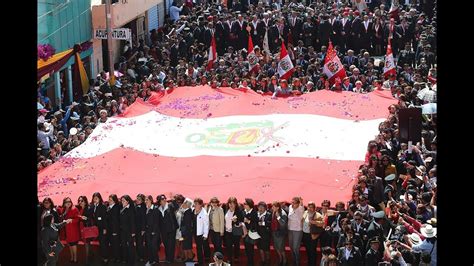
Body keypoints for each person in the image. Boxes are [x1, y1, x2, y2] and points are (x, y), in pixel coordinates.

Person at [157, 194, 178, 263]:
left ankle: (170, 259)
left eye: (165, 198)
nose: (164, 200)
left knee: (171, 245)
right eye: (162, 199)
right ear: (160, 201)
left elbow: (176, 206)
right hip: (163, 230)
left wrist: (173, 199)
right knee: (166, 244)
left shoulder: (170, 205)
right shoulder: (158, 209)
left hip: (171, 229)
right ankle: (167, 258)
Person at [60, 197, 81, 263]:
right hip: (66, 230)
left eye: (69, 201)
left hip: (73, 231)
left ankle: (75, 259)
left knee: (73, 244)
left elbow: (78, 219)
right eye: (66, 202)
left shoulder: (74, 209)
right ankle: (72, 257)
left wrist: (71, 220)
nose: (68, 203)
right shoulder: (63, 209)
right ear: (64, 203)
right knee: (69, 244)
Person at [223, 197, 244, 263]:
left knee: (236, 245)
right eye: (230, 203)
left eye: (233, 203)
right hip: (227, 232)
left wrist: (236, 221)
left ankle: (236, 257)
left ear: (235, 204)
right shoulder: (226, 210)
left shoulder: (239, 211)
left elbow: (241, 221)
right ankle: (229, 259)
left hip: (235, 231)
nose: (231, 205)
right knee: (228, 246)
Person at [89, 192, 108, 264]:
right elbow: (91, 215)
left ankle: (105, 258)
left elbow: (105, 218)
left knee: (103, 244)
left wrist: (105, 229)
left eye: (96, 198)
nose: (95, 199)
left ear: (99, 198)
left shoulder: (102, 206)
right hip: (96, 228)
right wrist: (92, 206)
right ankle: (102, 256)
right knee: (100, 243)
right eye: (94, 198)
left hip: (102, 228)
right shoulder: (93, 206)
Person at [287, 196, 304, 266]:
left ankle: (297, 263)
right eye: (292, 202)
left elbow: (299, 217)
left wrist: (301, 202)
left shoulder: (301, 208)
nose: (292, 204)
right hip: (290, 229)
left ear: (298, 204)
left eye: (294, 203)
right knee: (291, 247)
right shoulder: (290, 207)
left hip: (297, 230)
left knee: (295, 248)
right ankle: (293, 261)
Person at [302, 201, 320, 266]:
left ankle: (313, 264)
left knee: (312, 251)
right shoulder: (305, 212)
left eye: (311, 207)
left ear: (314, 208)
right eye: (308, 207)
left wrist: (314, 222)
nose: (309, 208)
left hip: (312, 235)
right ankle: (310, 263)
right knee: (308, 250)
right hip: (305, 234)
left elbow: (321, 225)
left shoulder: (317, 215)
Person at [119, 195, 136, 264]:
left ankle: (131, 260)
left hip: (129, 231)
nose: (122, 202)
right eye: (122, 200)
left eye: (124, 201)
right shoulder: (122, 208)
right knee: (124, 245)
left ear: (128, 201)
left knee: (130, 246)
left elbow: (132, 221)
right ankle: (125, 259)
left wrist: (133, 231)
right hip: (123, 230)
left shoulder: (130, 209)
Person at [77, 196, 93, 264]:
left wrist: (85, 218)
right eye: (79, 201)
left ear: (85, 201)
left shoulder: (88, 208)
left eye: (82, 201)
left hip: (86, 228)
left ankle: (87, 260)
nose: (80, 202)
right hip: (81, 228)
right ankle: (91, 255)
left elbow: (91, 219)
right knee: (86, 243)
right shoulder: (80, 208)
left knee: (86, 243)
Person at [271, 201, 288, 266]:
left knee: (281, 248)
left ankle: (285, 260)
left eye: (273, 207)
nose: (272, 208)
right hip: (274, 232)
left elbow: (283, 224)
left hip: (280, 234)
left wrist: (278, 217)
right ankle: (280, 259)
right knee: (276, 247)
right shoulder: (274, 211)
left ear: (277, 207)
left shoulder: (283, 214)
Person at [194, 198, 210, 265]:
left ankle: (201, 262)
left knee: (200, 248)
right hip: (196, 232)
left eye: (197, 204)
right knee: (198, 248)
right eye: (195, 204)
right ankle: (200, 261)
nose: (195, 205)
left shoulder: (204, 213)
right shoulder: (194, 210)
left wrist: (205, 235)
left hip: (201, 234)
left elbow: (206, 225)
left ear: (201, 205)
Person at [144, 195, 160, 265]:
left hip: (154, 231)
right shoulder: (146, 208)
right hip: (148, 231)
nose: (145, 201)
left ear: (151, 200)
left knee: (154, 246)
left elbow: (156, 221)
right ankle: (151, 260)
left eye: (147, 200)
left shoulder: (155, 209)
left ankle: (156, 260)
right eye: (145, 200)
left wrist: (154, 231)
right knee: (149, 246)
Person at [242, 198, 258, 266]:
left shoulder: (254, 212)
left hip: (251, 234)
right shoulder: (243, 212)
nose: (244, 205)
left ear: (249, 205)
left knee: (250, 250)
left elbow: (256, 224)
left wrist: (248, 221)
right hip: (244, 234)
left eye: (245, 204)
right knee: (247, 250)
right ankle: (249, 262)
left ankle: (251, 263)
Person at [105, 194, 121, 263]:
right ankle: (114, 257)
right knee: (112, 244)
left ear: (114, 201)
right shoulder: (109, 207)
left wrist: (115, 231)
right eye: (109, 199)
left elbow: (115, 220)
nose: (109, 201)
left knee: (116, 245)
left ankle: (117, 258)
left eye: (111, 200)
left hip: (114, 230)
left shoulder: (116, 207)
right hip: (110, 229)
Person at [256, 201, 272, 265]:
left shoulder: (268, 214)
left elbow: (270, 223)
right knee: (260, 248)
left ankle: (268, 261)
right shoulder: (257, 214)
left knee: (266, 249)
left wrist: (263, 223)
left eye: (262, 207)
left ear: (265, 208)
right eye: (259, 207)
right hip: (258, 234)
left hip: (266, 235)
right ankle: (263, 261)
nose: (260, 209)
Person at [180, 198, 194, 262]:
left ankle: (190, 257)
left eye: (185, 203)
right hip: (185, 232)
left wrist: (184, 234)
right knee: (186, 245)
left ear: (188, 204)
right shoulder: (186, 211)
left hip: (187, 232)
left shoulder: (188, 212)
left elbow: (187, 224)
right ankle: (187, 257)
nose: (183, 204)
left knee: (188, 245)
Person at [135, 194, 147, 262]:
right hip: (136, 228)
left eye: (139, 199)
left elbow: (144, 219)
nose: (137, 200)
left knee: (140, 243)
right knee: (137, 243)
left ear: (142, 200)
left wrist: (143, 229)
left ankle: (141, 256)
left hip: (141, 229)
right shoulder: (136, 206)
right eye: (137, 198)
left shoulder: (143, 207)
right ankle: (138, 256)